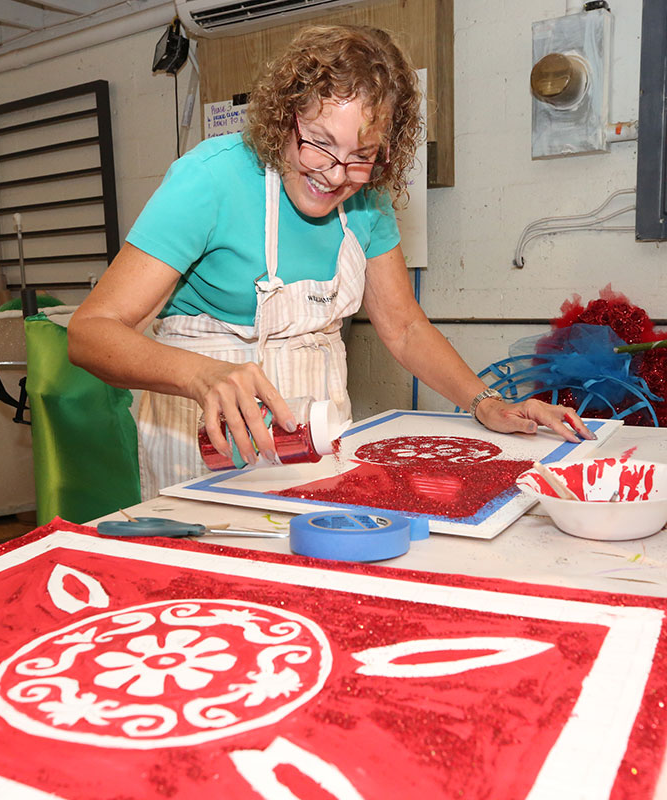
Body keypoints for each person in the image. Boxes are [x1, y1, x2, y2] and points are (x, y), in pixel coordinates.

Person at [69, 24, 591, 497]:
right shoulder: (209, 179)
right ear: (283, 117)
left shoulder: (369, 200)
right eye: (319, 143)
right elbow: (91, 332)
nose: (336, 174)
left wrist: (487, 403)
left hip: (317, 444)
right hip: (203, 445)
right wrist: (201, 375)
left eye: (361, 155)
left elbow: (404, 327)